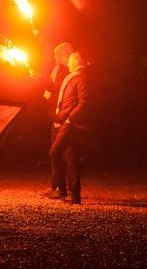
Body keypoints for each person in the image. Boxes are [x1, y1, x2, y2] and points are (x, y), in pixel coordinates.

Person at [48, 51, 90, 204]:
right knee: (70, 157)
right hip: (65, 121)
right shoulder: (73, 77)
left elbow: (84, 102)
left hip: (70, 124)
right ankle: (73, 196)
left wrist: (70, 119)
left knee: (54, 152)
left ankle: (65, 192)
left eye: (70, 61)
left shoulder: (81, 78)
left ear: (76, 62)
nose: (68, 64)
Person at [40, 42, 74, 199]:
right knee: (55, 152)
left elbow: (62, 92)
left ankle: (64, 189)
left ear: (65, 55)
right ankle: (55, 186)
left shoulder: (69, 72)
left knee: (61, 153)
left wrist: (50, 93)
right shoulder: (57, 69)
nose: (54, 57)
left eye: (57, 54)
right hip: (54, 116)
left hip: (63, 118)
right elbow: (51, 87)